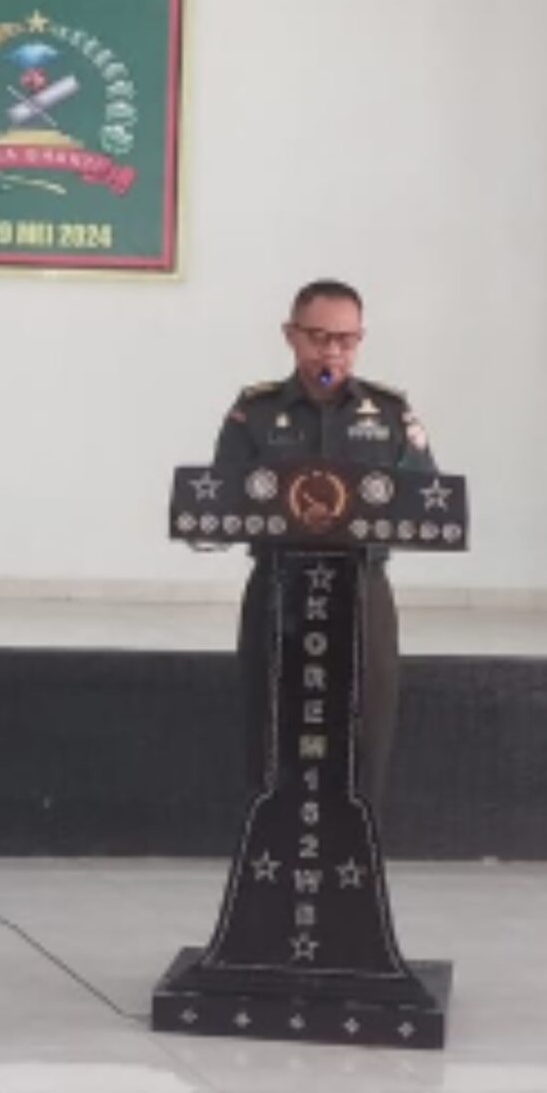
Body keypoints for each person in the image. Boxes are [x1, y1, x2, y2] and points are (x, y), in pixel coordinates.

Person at [208, 279, 436, 808]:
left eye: (346, 339)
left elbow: (426, 495)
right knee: (269, 725)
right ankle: (268, 843)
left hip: (362, 589)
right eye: (318, 337)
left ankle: (359, 844)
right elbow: (221, 495)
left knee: (367, 731)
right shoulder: (254, 412)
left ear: (360, 340)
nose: (332, 351)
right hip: (278, 588)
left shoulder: (391, 413)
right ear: (290, 335)